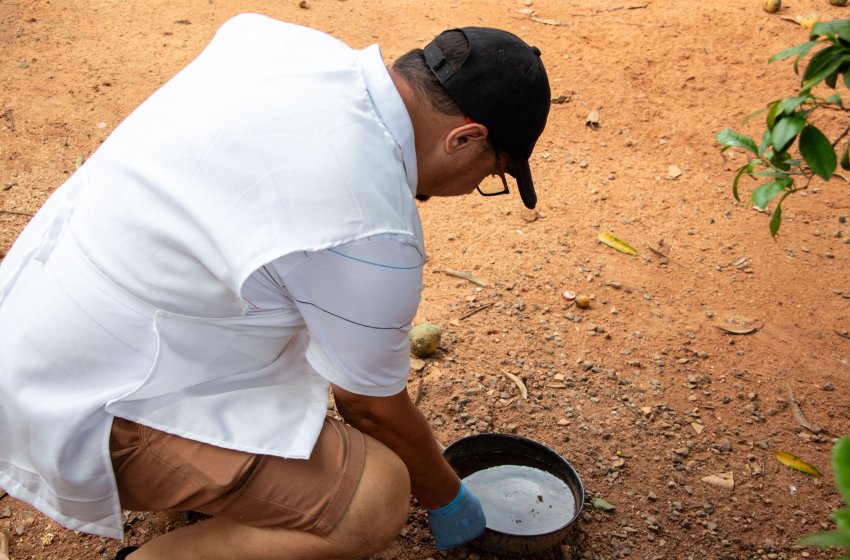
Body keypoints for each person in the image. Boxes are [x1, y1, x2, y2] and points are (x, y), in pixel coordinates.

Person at [0, 13, 550, 560]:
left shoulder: (282, 46)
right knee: (374, 495)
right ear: (466, 137)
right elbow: (370, 408)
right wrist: (448, 496)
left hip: (28, 328)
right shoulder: (372, 225)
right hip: (88, 409)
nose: (477, 186)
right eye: (493, 174)